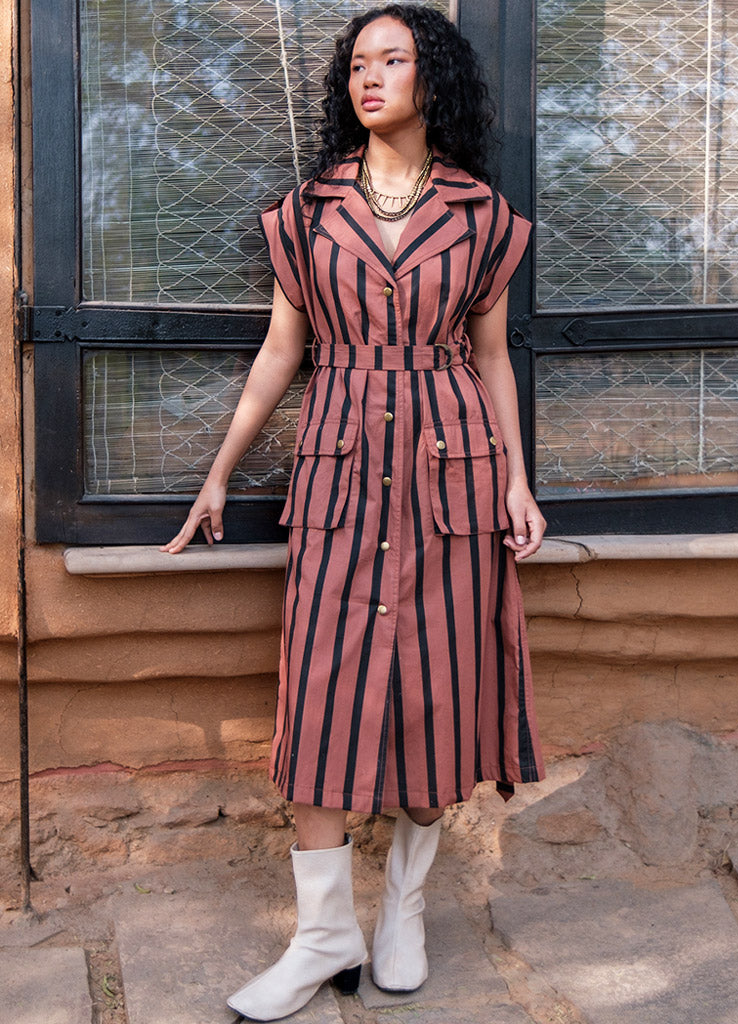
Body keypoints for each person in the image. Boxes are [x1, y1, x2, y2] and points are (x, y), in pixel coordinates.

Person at [162, 5, 546, 1020]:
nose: (369, 77)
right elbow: (281, 352)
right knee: (321, 701)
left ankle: (404, 910)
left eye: (393, 59)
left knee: (438, 697)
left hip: (451, 473)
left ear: (433, 77)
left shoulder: (482, 216)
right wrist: (219, 470)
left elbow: (493, 357)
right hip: (337, 472)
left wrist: (516, 480)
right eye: (358, 63)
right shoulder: (308, 212)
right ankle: (325, 933)